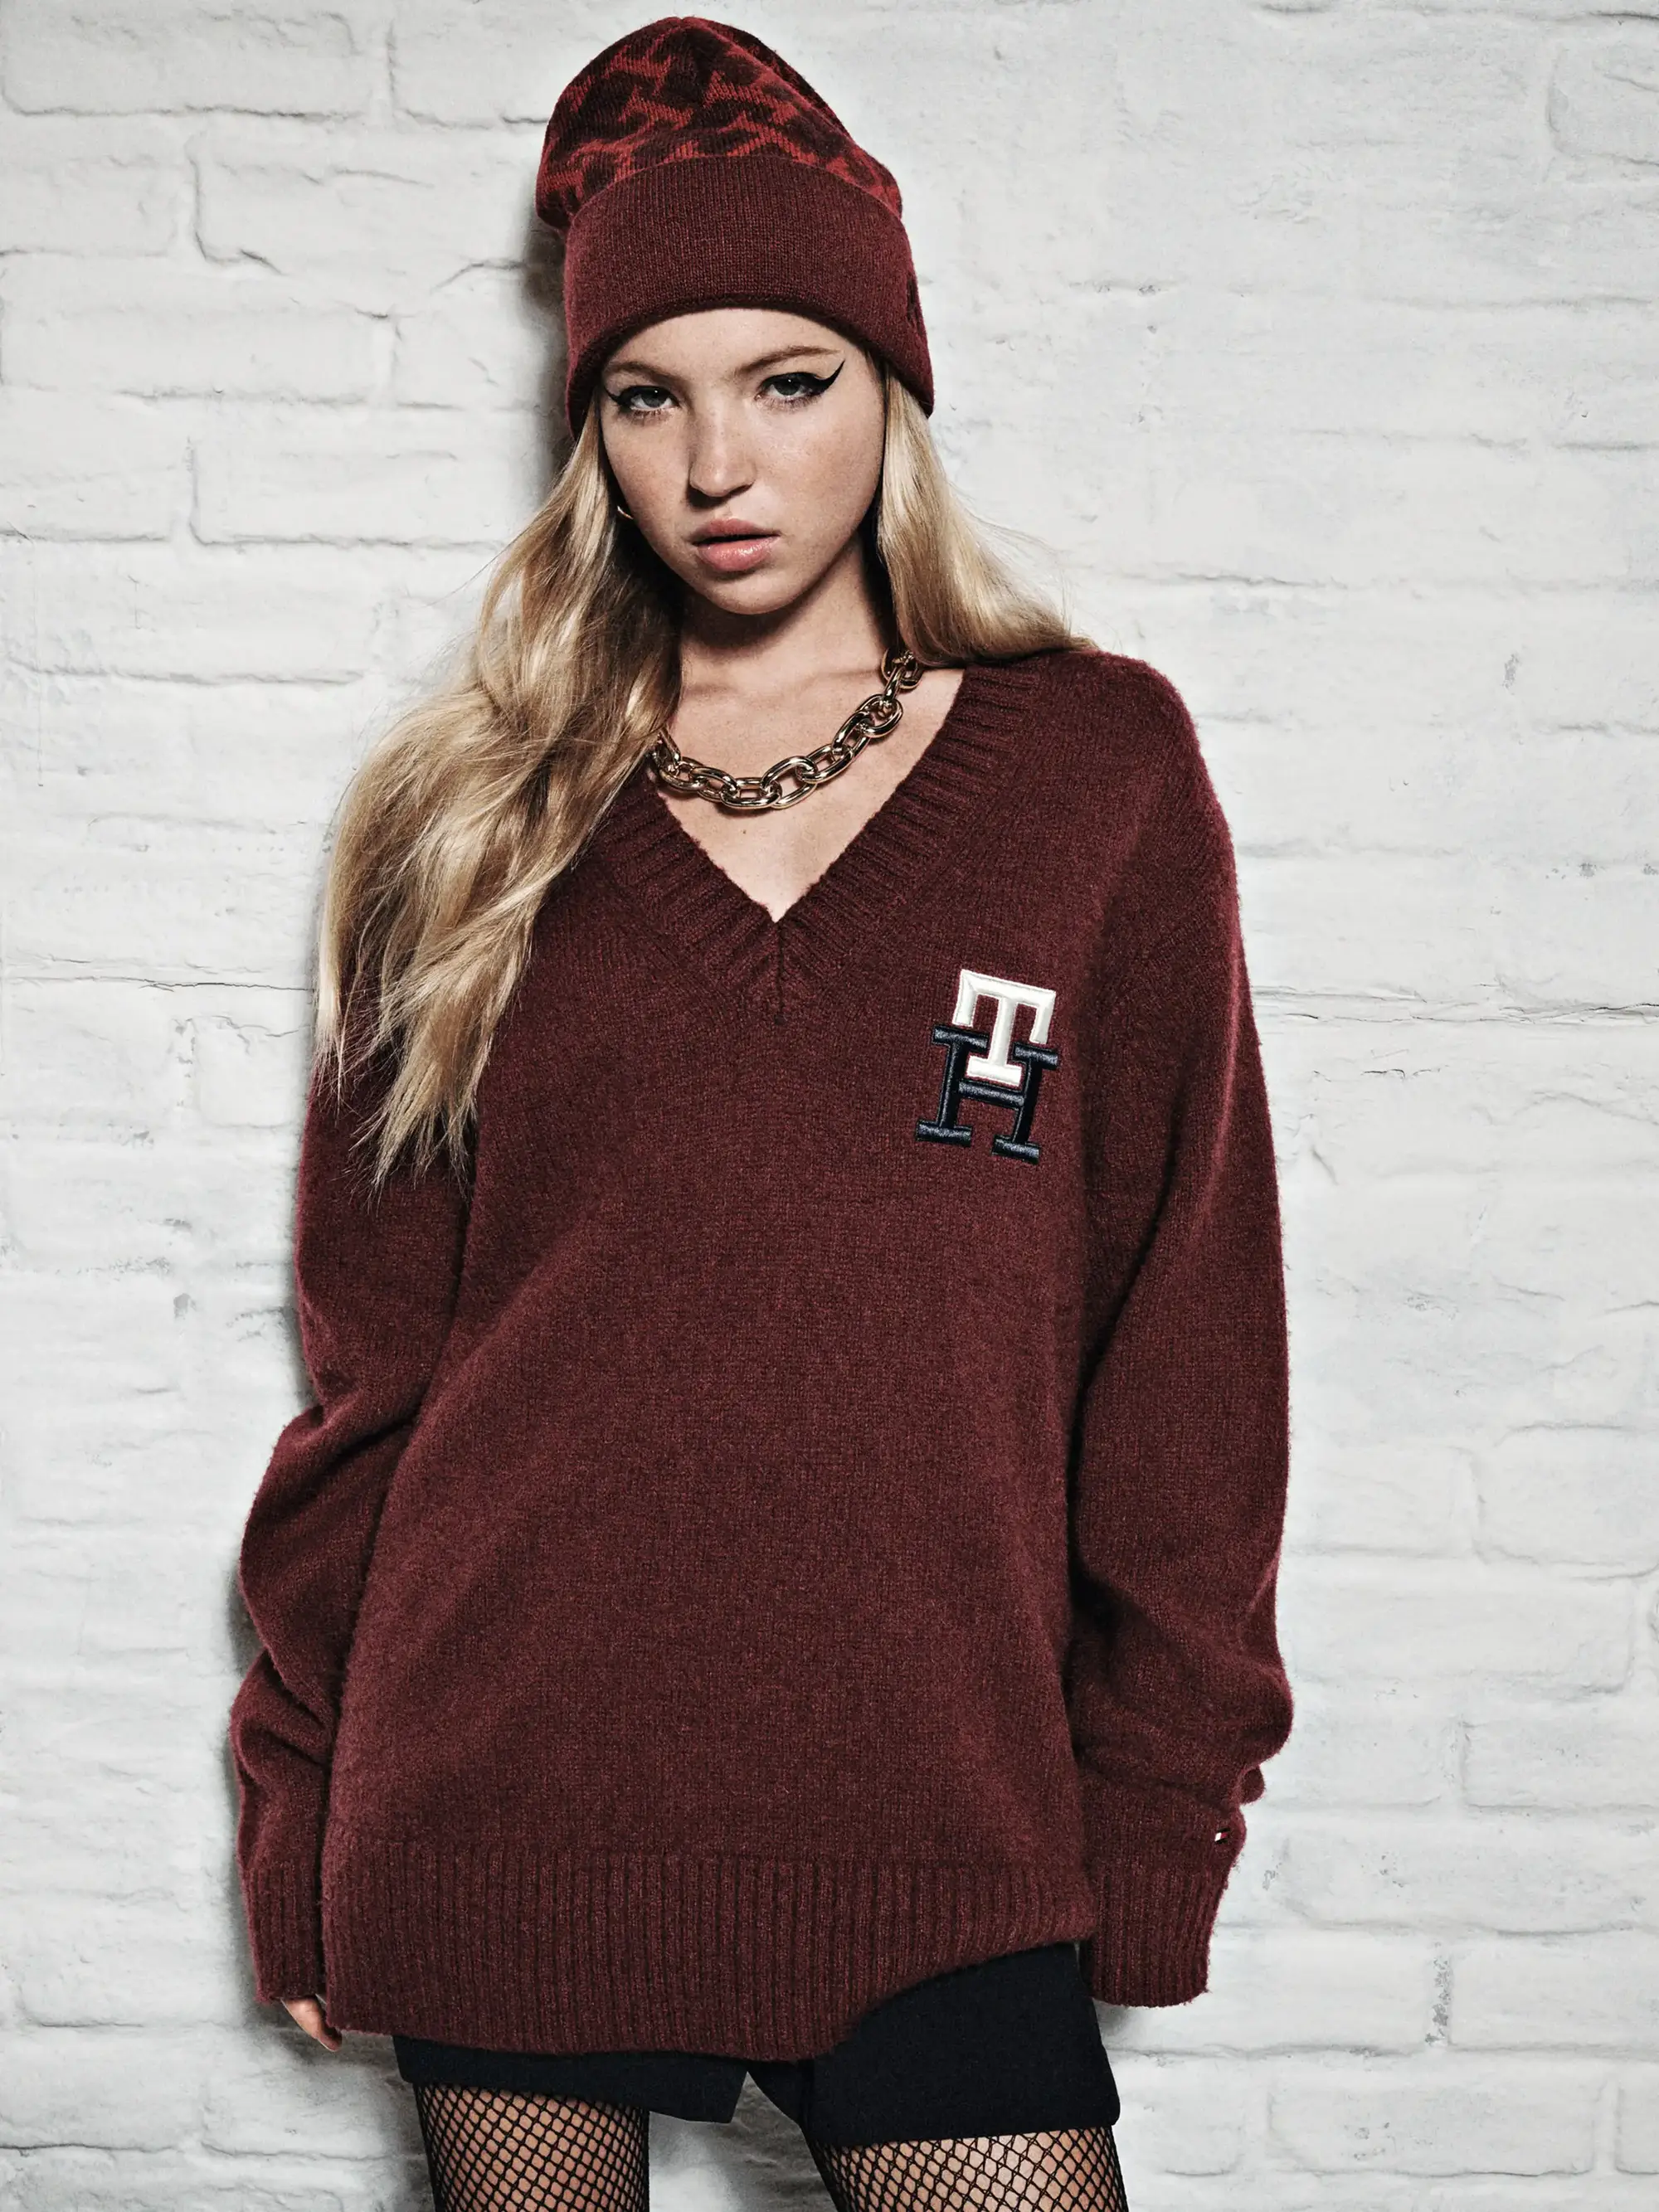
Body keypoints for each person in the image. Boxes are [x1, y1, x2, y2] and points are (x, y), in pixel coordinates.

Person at [226, 18, 1295, 2212]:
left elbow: (1186, 1344)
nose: (720, 461)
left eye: (787, 381)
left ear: (889, 392)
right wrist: (300, 1804)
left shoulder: (1092, 774)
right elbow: (374, 1377)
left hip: (942, 1812)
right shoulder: (466, 820)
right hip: (507, 1789)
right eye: (649, 396)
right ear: (591, 431)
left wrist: (1158, 1807)